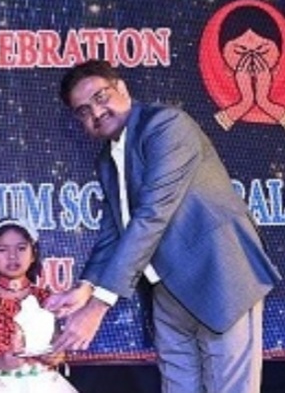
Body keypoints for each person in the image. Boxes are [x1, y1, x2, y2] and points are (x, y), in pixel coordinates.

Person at [47, 59, 282, 393]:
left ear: (122, 88)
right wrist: (85, 288)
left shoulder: (166, 126)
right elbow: (115, 231)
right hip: (166, 293)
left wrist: (99, 306)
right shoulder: (107, 160)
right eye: (83, 111)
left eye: (101, 97)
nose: (96, 113)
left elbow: (152, 215)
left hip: (218, 277)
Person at [0, 217, 78, 393]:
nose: (12, 256)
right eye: (2, 250)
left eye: (21, 248)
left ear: (33, 254)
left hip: (44, 385)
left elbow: (57, 344)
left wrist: (56, 356)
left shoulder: (47, 298)